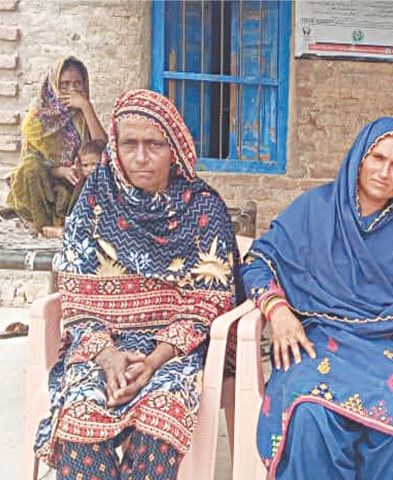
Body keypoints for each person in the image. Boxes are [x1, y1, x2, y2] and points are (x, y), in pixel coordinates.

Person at [241, 117, 393, 479]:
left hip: (385, 348)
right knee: (310, 415)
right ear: (360, 157)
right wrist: (278, 310)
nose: (384, 171)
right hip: (316, 340)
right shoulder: (314, 208)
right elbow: (258, 262)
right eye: (377, 158)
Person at [33, 89, 240, 479]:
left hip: (174, 350)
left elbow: (210, 302)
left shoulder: (203, 207)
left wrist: (154, 360)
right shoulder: (93, 202)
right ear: (115, 145)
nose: (141, 157)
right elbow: (76, 299)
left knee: (161, 417)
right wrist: (109, 356)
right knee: (79, 420)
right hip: (100, 347)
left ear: (175, 147)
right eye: (130, 143)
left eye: (154, 144)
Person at [5, 56, 106, 230]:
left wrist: (86, 106)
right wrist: (61, 171)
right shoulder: (37, 119)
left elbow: (102, 146)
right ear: (53, 85)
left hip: (78, 180)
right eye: (64, 84)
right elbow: (31, 161)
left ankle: (75, 224)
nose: (72, 89)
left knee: (102, 168)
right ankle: (42, 224)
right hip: (45, 182)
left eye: (77, 83)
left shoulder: (82, 115)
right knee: (30, 168)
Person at [41, 139, 105, 239]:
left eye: (95, 164)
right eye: (85, 165)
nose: (90, 169)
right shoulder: (85, 183)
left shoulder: (107, 181)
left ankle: (62, 232)